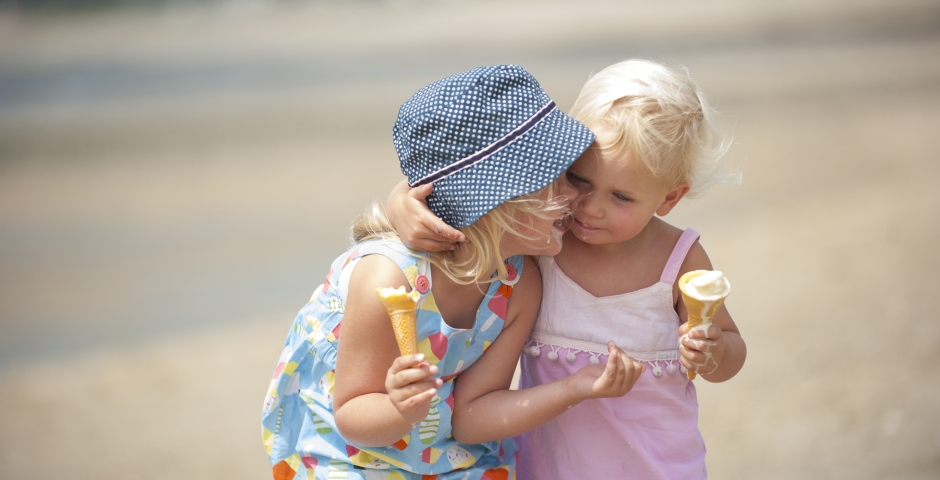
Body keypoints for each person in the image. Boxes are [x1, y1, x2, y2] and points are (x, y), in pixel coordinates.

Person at [261, 64, 647, 480]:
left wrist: (573, 389)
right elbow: (352, 415)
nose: (574, 193)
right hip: (343, 456)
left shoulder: (518, 284)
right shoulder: (387, 279)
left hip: (449, 456)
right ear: (495, 200)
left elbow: (471, 416)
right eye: (553, 180)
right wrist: (398, 408)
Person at [387, 59, 747, 479]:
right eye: (579, 179)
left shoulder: (679, 260)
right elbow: (467, 189)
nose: (590, 207)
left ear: (670, 198)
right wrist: (400, 202)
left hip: (660, 468)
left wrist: (714, 351)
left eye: (621, 197)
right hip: (547, 468)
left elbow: (730, 353)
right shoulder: (543, 246)